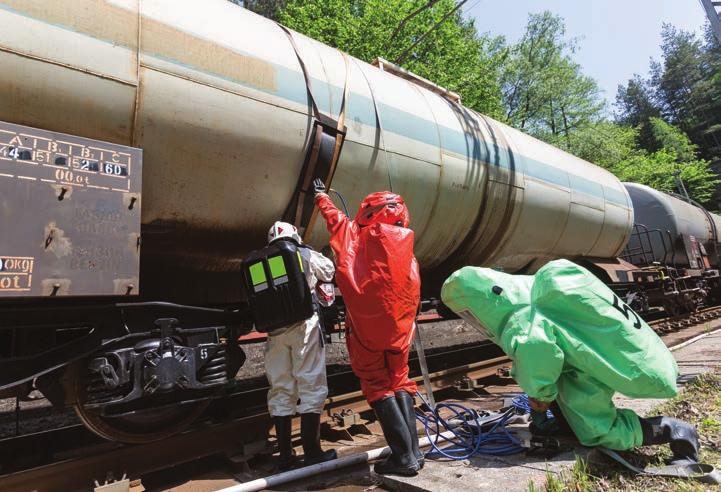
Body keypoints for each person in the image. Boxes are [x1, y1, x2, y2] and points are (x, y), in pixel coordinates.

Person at [440, 259, 700, 463]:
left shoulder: (521, 319)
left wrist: (539, 398)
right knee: (570, 409)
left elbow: (538, 359)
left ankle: (672, 429)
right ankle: (569, 425)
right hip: (594, 359)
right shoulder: (527, 291)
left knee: (597, 431)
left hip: (597, 368)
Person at [313, 178, 422, 476]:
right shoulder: (405, 240)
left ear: (369, 212)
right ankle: (414, 453)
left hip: (368, 333)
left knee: (377, 385)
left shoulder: (356, 236)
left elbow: (335, 220)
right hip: (400, 331)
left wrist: (321, 197)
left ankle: (404, 459)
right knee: (400, 380)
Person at [264, 221, 337, 470]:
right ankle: (313, 452)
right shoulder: (303, 253)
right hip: (304, 328)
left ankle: (286, 456)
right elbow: (328, 271)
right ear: (295, 235)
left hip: (275, 333)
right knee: (311, 384)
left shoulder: (261, 260)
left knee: (281, 388)